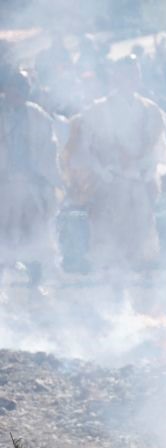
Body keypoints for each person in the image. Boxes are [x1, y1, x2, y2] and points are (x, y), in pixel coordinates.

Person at [62, 55, 166, 275]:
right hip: (109, 182)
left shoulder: (150, 109)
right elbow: (87, 148)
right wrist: (103, 171)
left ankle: (134, 288)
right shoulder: (98, 109)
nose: (131, 78)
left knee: (139, 238)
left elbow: (155, 149)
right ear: (115, 76)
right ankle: (108, 288)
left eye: (135, 73)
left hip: (139, 181)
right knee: (108, 239)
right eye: (125, 73)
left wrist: (145, 172)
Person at [0, 70, 62, 292]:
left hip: (30, 184)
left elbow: (49, 149)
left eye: (22, 88)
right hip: (3, 186)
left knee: (35, 233)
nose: (17, 93)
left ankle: (35, 282)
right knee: (3, 235)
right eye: (13, 88)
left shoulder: (38, 116)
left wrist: (47, 177)